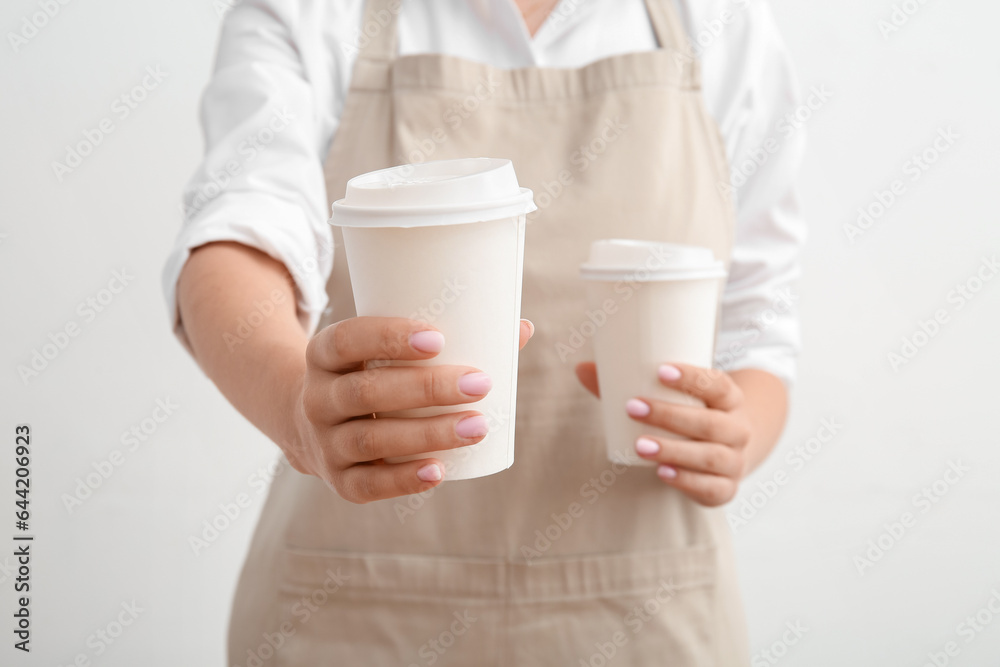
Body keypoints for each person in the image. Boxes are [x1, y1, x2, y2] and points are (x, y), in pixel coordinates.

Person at [164, 0, 806, 663]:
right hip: (354, 615)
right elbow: (240, 230)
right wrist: (297, 408)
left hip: (648, 615)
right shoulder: (311, 12)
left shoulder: (721, 20)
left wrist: (736, 435)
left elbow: (759, 325)